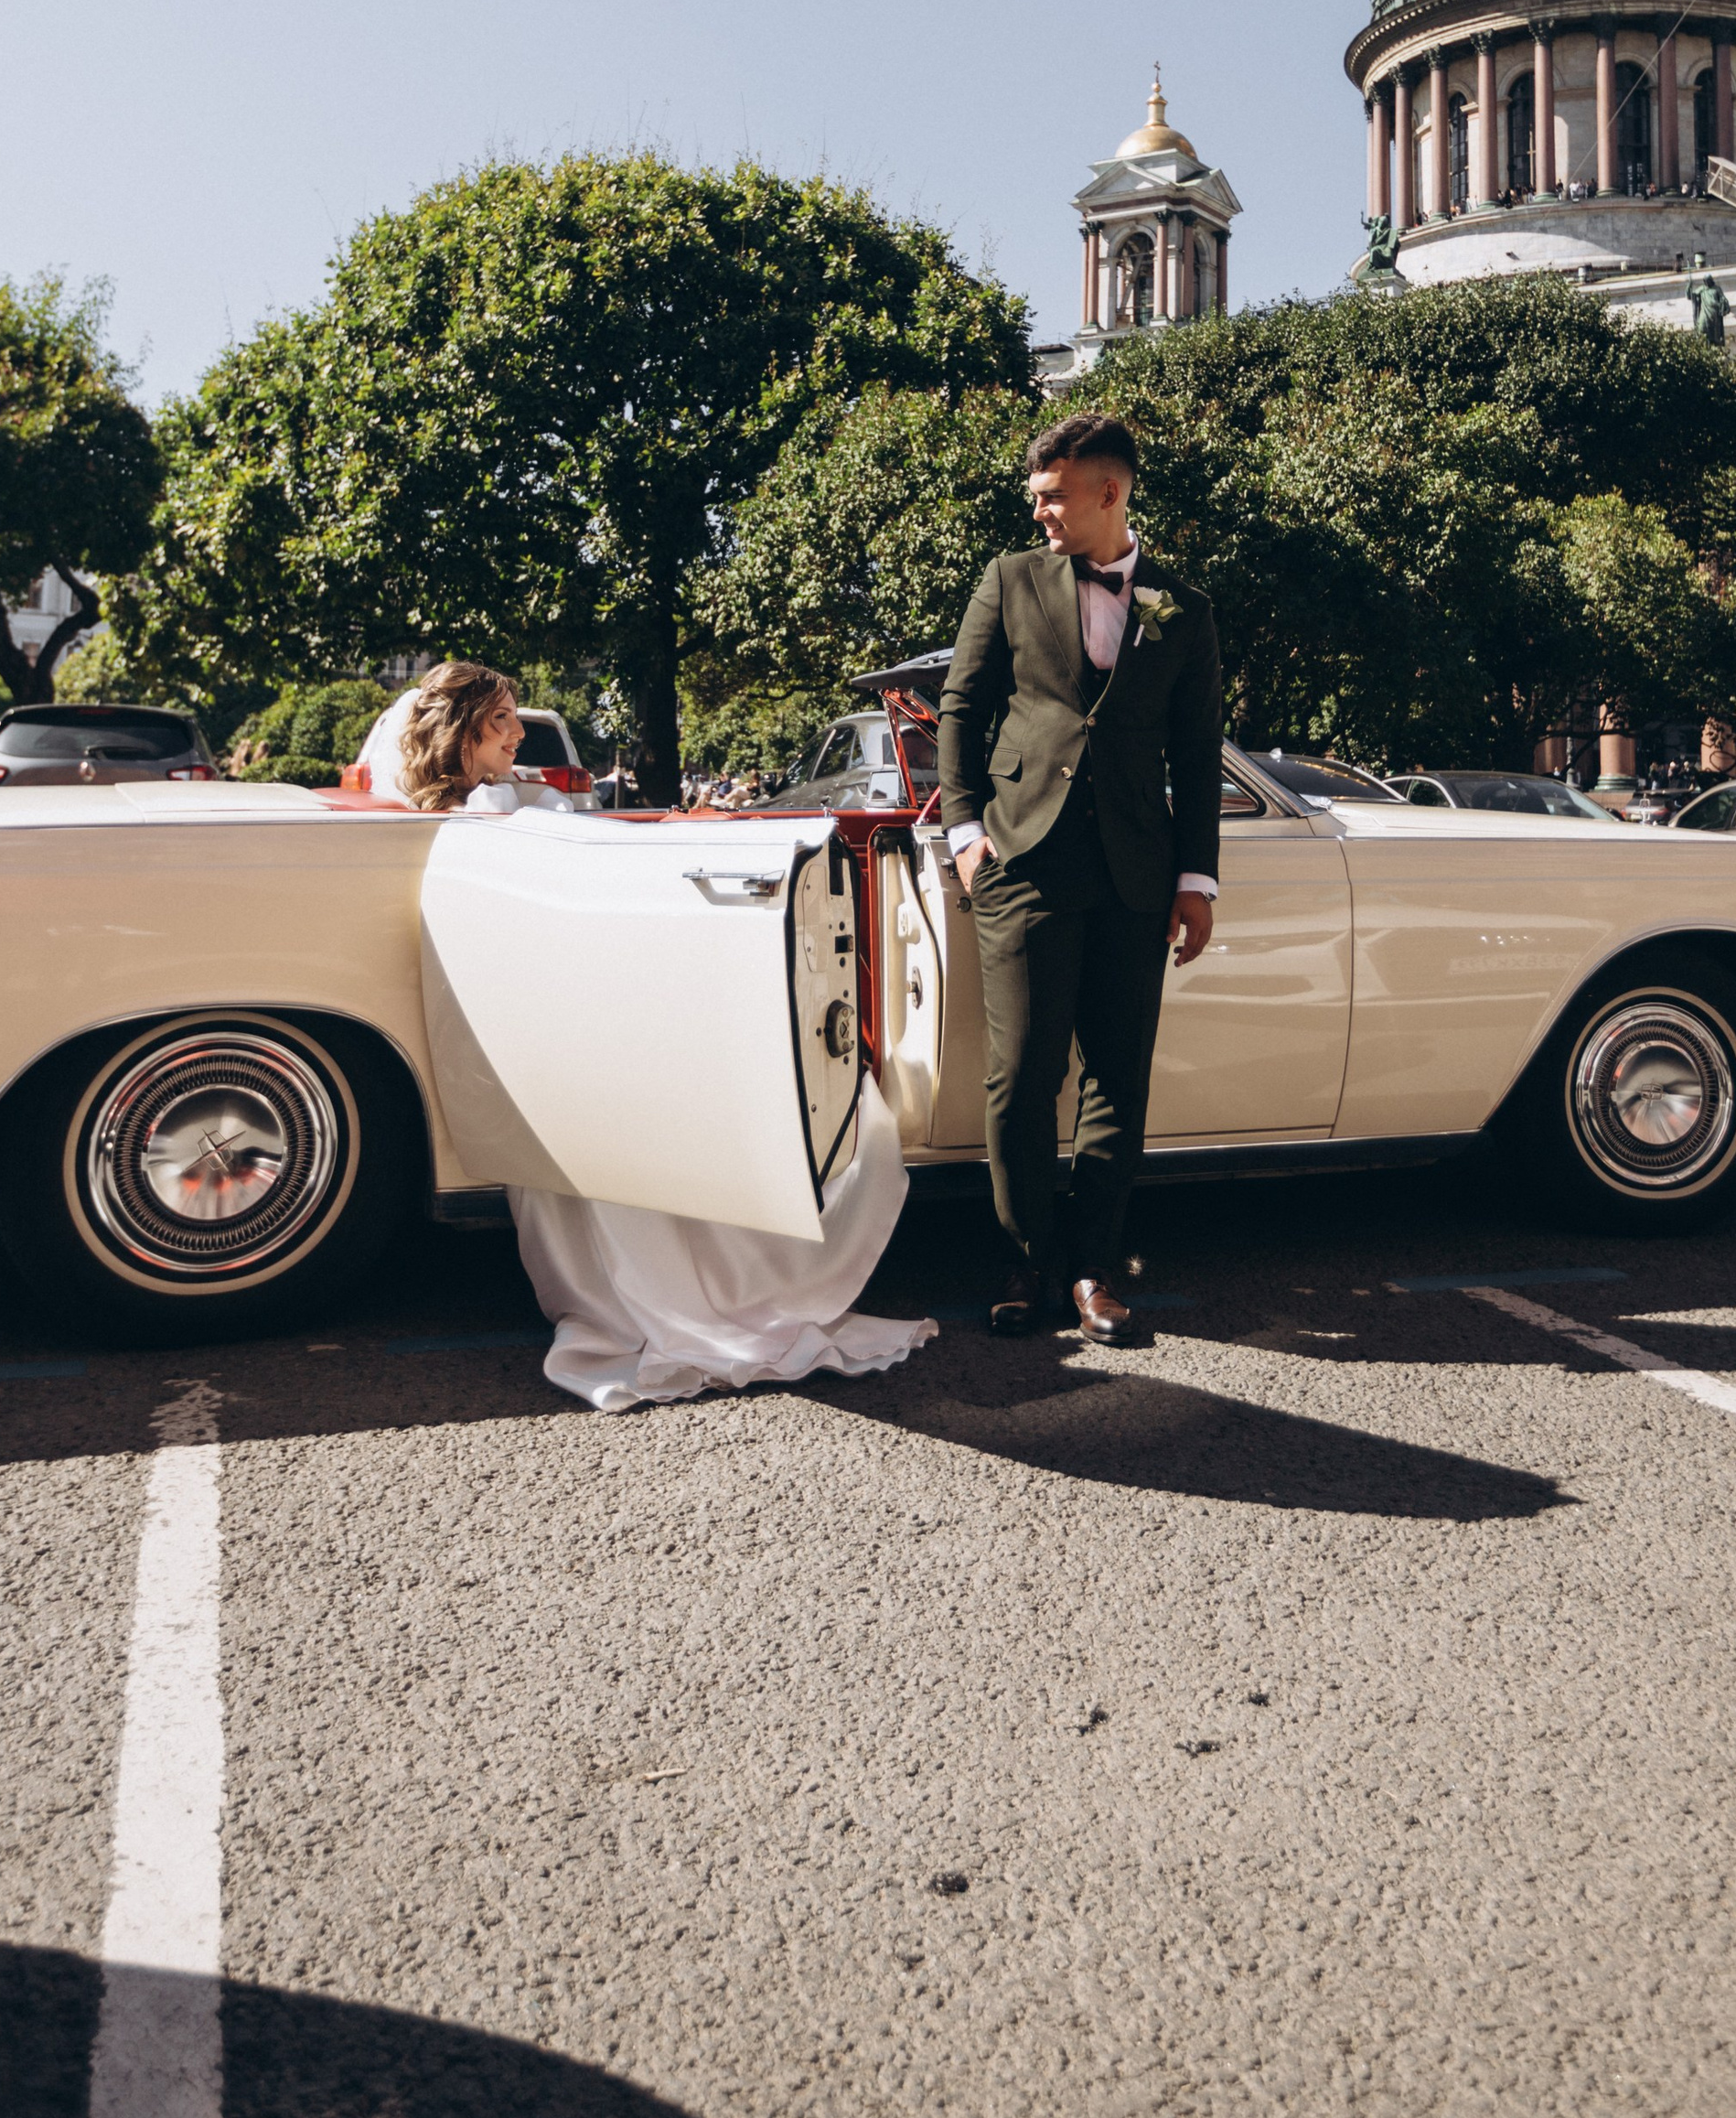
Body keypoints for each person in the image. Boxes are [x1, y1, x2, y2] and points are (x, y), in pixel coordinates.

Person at [357, 661, 936, 1414]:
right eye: (500, 718)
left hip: (537, 1031)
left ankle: (646, 1278)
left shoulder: (479, 807)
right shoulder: (496, 808)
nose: (518, 730)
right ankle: (695, 1293)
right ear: (461, 731)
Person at [937, 409, 1225, 1344]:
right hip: (1022, 861)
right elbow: (960, 709)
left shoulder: (1183, 603)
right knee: (1019, 1077)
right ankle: (1025, 1260)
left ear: (1109, 491)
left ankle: (1095, 1269)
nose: (1041, 514)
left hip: (1138, 871)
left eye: (1053, 496)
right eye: (1036, 498)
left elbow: (1195, 746)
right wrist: (964, 833)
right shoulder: (1008, 580)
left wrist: (1197, 878)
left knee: (1116, 1077)